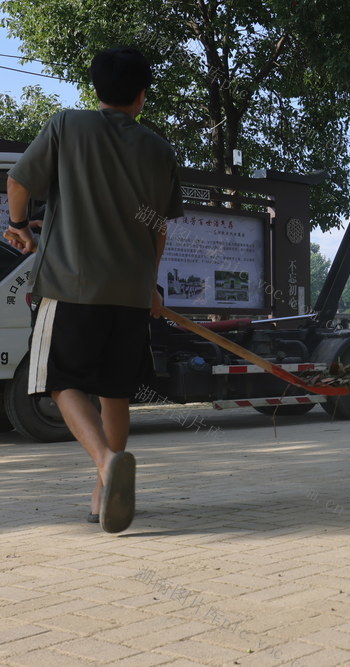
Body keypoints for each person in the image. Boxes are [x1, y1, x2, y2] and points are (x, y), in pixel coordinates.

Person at [4, 48, 183, 532]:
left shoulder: (67, 125)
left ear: (96, 89)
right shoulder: (160, 150)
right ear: (142, 97)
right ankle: (104, 493)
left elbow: (18, 181)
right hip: (129, 293)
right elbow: (158, 229)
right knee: (116, 391)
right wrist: (150, 285)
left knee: (58, 381)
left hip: (70, 286)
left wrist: (19, 225)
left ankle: (106, 461)